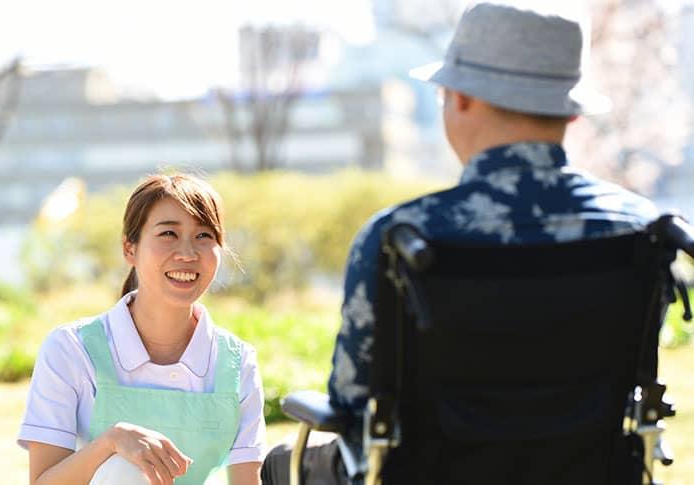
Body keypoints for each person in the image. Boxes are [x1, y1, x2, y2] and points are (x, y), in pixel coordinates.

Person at [261, 3, 660, 484]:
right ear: (570, 114)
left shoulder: (401, 237)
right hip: (588, 471)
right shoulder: (643, 230)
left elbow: (352, 403)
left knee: (282, 465)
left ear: (463, 97)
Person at [19, 174, 266, 485]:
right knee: (125, 468)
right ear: (129, 249)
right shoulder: (71, 349)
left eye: (204, 236)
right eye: (168, 234)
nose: (187, 254)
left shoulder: (236, 362)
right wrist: (112, 442)